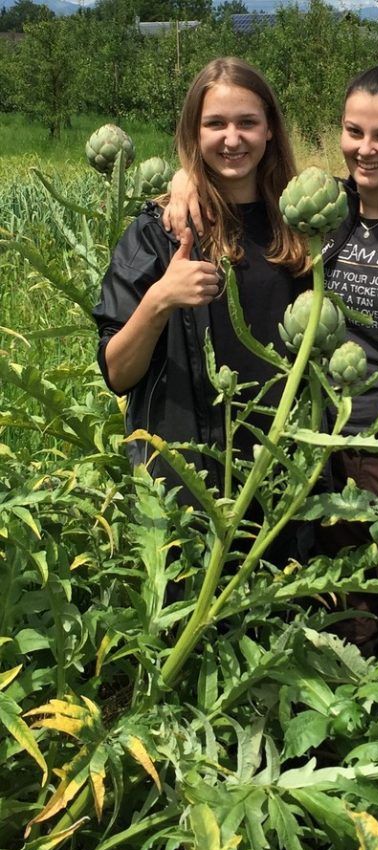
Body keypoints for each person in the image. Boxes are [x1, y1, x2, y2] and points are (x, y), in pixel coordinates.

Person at [166, 65, 378, 649]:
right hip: (324, 467)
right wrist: (186, 177)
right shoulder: (321, 212)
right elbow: (237, 173)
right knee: (346, 637)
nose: (365, 150)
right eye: (353, 132)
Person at [93, 57, 309, 513]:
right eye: (215, 124)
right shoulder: (156, 232)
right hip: (180, 480)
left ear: (270, 129)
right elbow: (117, 373)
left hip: (283, 478)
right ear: (194, 133)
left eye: (247, 122)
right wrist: (160, 299)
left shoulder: (303, 223)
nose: (233, 139)